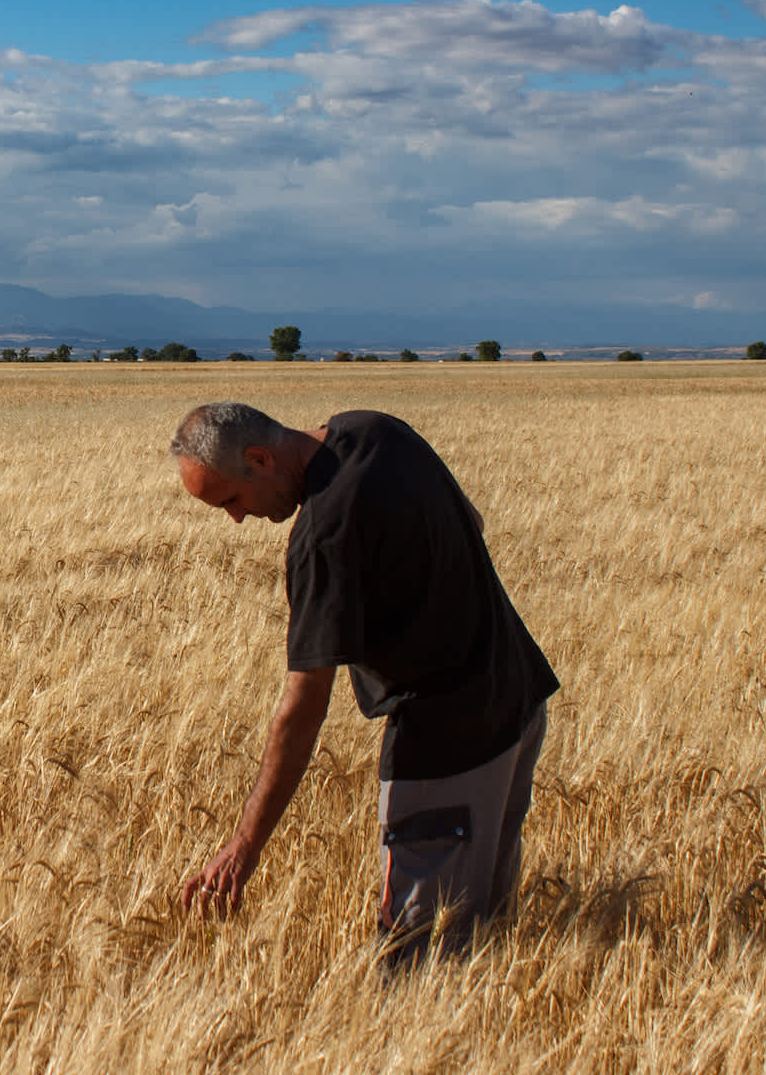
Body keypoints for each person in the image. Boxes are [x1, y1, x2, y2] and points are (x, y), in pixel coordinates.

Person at [170, 402, 558, 963]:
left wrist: (244, 846)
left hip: (447, 742)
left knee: (416, 958)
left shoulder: (322, 539)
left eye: (231, 499)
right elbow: (471, 521)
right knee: (485, 938)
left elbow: (302, 711)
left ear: (260, 457)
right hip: (518, 697)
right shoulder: (373, 429)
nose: (235, 518)